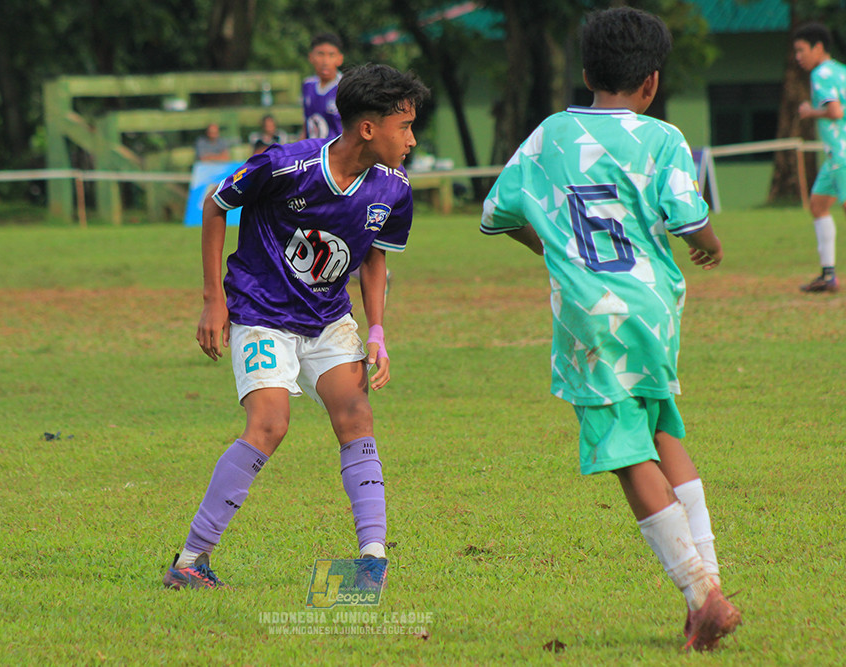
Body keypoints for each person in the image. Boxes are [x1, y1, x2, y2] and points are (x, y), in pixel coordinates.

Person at [480, 7, 741, 652]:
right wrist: (709, 243)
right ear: (651, 82)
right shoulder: (663, 137)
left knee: (627, 454)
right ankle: (707, 588)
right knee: (662, 427)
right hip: (655, 311)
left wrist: (550, 246)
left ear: (587, 72)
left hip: (589, 321)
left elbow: (496, 210)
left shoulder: (549, 136)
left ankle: (700, 594)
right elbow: (688, 218)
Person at [163, 63, 430, 591]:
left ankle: (371, 564)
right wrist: (213, 298)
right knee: (269, 424)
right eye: (405, 126)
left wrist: (376, 331)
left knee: (356, 415)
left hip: (328, 318)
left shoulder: (394, 190)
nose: (413, 139)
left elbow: (375, 257)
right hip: (262, 313)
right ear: (369, 128)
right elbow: (215, 205)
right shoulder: (287, 166)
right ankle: (190, 561)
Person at [794, 21, 846, 293]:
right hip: (833, 155)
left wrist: (809, 111)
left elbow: (835, 112)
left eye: (802, 50)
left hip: (842, 152)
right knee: (818, 205)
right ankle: (828, 275)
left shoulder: (821, 74)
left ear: (818, 47)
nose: (798, 57)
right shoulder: (840, 70)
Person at [302, 33, 344, 139]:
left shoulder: (346, 86)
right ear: (311, 57)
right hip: (313, 150)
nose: (325, 61)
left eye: (331, 55)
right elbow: (306, 124)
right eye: (320, 54)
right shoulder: (308, 85)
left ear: (340, 59)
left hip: (338, 152)